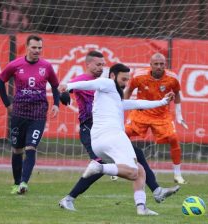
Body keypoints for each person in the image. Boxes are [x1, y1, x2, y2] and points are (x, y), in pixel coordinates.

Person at [58, 51, 180, 211]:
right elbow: (83, 85)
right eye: (98, 64)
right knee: (125, 169)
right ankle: (70, 197)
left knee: (138, 160)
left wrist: (162, 101)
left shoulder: (113, 93)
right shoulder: (103, 82)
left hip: (102, 133)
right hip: (94, 129)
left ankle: (147, 201)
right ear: (88, 64)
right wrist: (67, 87)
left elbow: (136, 103)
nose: (101, 67)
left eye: (103, 64)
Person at [0, 35, 60, 194]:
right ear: (27, 47)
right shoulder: (16, 64)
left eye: (39, 48)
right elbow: (0, 80)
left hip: (38, 113)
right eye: (34, 47)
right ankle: (16, 183)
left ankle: (24, 183)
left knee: (31, 146)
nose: (37, 51)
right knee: (17, 149)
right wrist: (7, 104)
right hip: (19, 112)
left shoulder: (46, 66)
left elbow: (55, 85)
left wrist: (56, 104)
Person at [124, 53, 188, 184]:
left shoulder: (172, 78)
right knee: (123, 134)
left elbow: (177, 95)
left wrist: (179, 115)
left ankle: (177, 174)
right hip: (141, 112)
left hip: (161, 115)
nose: (159, 66)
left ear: (165, 64)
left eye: (162, 64)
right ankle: (118, 166)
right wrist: (122, 107)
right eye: (156, 64)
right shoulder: (139, 76)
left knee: (174, 139)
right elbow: (129, 90)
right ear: (151, 65)